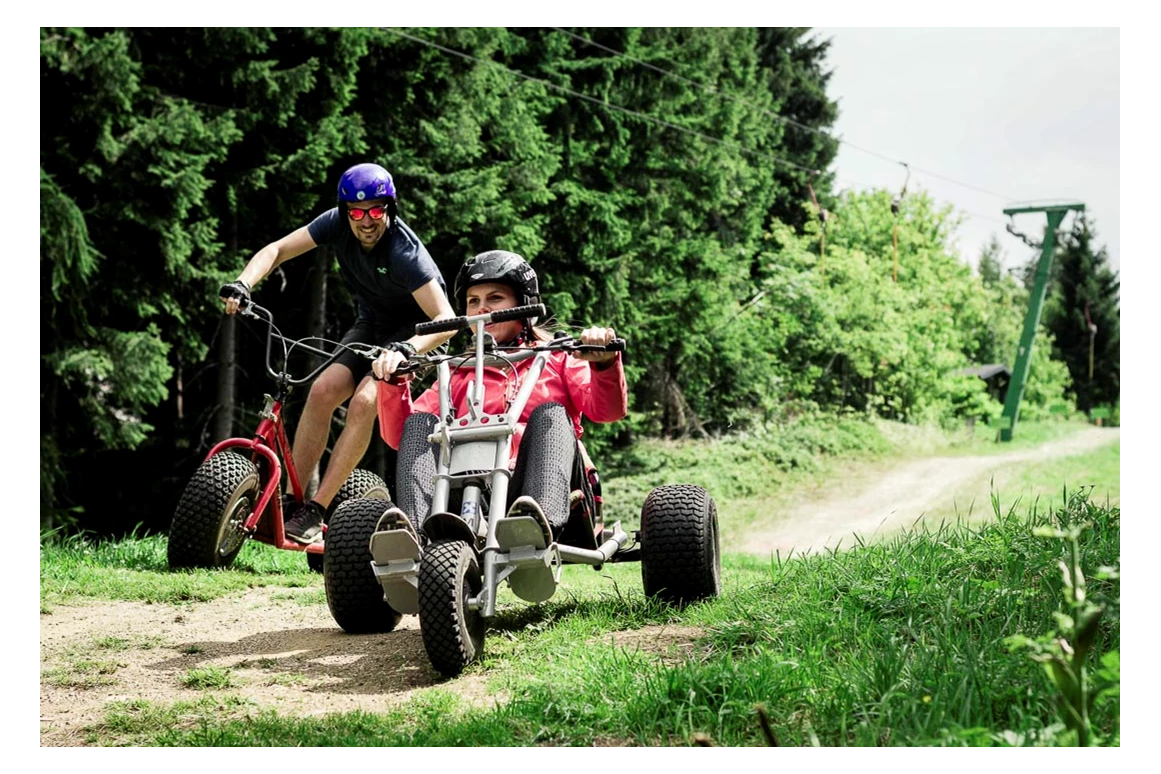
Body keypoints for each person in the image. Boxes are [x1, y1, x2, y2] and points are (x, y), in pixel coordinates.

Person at [220, 162, 457, 544]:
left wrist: (405, 349)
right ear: (345, 211)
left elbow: (446, 319)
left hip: (417, 336)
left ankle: (316, 509)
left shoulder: (405, 252)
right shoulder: (335, 223)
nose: (366, 221)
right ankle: (291, 504)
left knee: (365, 401)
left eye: (376, 210)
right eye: (356, 213)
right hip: (373, 326)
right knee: (322, 391)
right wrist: (243, 283)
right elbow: (278, 249)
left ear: (390, 208)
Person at [371, 249, 627, 544]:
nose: (482, 309)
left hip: (544, 491)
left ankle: (535, 522)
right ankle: (414, 535)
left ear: (524, 303)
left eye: (495, 298)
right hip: (467, 492)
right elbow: (402, 439)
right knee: (420, 424)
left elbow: (607, 412)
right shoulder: (455, 371)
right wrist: (392, 383)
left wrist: (604, 363)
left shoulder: (558, 356)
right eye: (473, 301)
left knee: (551, 413)